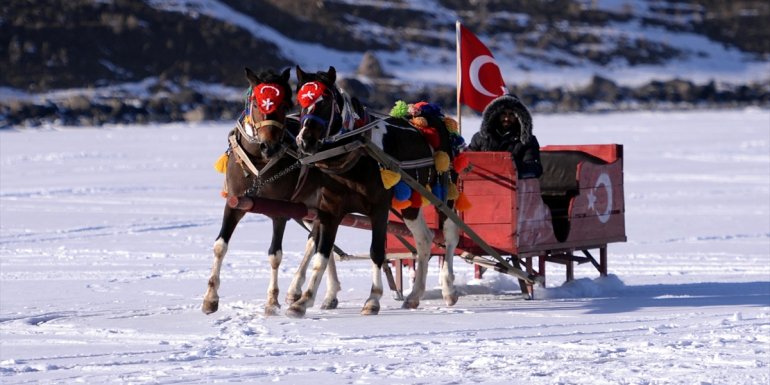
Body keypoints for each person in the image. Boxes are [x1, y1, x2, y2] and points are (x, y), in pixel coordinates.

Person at [468, 93, 543, 179]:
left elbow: (534, 168)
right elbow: (467, 162)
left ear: (519, 117)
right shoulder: (480, 137)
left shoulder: (527, 141)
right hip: (481, 187)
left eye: (511, 114)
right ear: (496, 114)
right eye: (503, 114)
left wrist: (509, 165)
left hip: (515, 188)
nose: (507, 118)